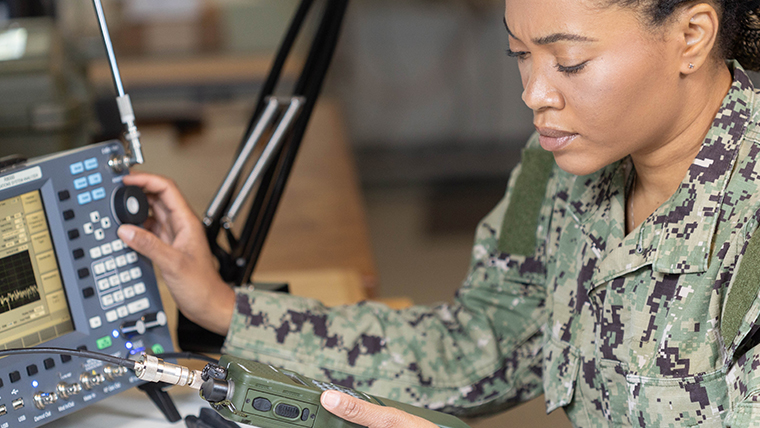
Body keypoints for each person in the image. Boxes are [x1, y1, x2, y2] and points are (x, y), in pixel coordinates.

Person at [116, 0, 760, 426]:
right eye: (520, 57)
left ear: (691, 36)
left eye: (570, 62)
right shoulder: (561, 171)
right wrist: (220, 307)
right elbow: (480, 344)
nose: (535, 93)